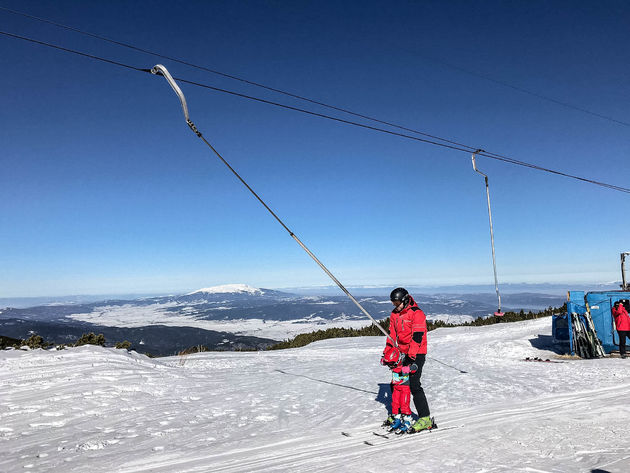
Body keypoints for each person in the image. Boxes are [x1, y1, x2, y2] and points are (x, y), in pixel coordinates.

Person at [381, 287, 433, 433]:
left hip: (417, 353)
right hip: (401, 354)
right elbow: (391, 336)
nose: (395, 306)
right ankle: (399, 414)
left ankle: (425, 418)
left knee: (414, 385)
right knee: (396, 384)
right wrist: (388, 353)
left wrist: (411, 357)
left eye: (397, 303)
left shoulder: (417, 314)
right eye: (393, 303)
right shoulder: (394, 314)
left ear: (404, 300)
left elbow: (418, 337)